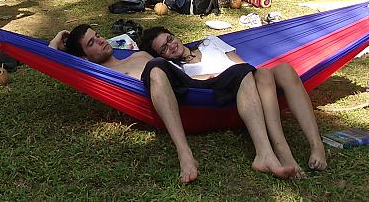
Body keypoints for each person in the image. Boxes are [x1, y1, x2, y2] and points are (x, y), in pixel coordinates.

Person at [49, 24, 299, 183]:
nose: (101, 41)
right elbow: (54, 61)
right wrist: (59, 37)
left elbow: (183, 70)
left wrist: (213, 76)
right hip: (161, 87)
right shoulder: (98, 72)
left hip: (188, 84)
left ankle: (264, 153)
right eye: (91, 43)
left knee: (243, 70)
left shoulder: (138, 54)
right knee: (156, 68)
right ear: (83, 56)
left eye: (98, 35)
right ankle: (185, 154)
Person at [139, 26, 327, 177]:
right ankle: (283, 152)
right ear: (161, 56)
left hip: (249, 80)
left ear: (175, 36)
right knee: (250, 73)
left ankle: (316, 144)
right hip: (227, 90)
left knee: (284, 69)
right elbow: (201, 84)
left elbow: (242, 65)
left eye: (169, 40)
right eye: (164, 49)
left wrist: (245, 74)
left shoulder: (210, 42)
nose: (170, 46)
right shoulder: (175, 69)